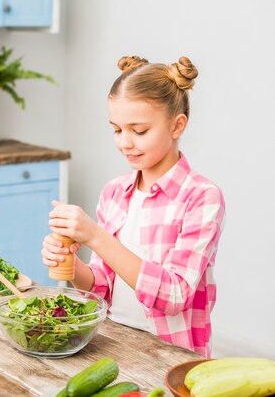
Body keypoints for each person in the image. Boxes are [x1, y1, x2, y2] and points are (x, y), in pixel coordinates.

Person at [42, 55, 225, 357]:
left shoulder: (201, 197)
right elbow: (100, 288)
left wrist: (95, 237)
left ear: (177, 125)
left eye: (138, 131)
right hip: (112, 343)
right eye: (117, 129)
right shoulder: (115, 192)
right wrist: (72, 266)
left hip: (170, 356)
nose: (125, 142)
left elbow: (175, 295)